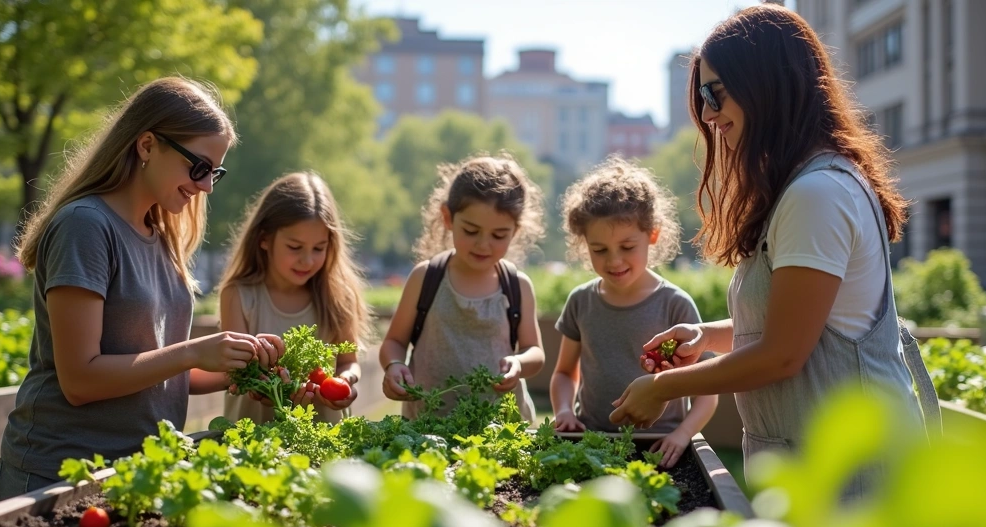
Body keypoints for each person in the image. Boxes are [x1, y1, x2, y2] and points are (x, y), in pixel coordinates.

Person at [608, 5, 939, 496]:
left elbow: (784, 354)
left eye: (714, 92)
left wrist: (663, 389)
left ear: (765, 82)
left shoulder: (818, 194)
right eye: (702, 96)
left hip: (859, 471)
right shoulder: (802, 188)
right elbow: (799, 324)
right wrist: (707, 336)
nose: (707, 113)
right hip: (818, 463)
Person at [0, 77, 280, 503]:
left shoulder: (161, 234)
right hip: (57, 479)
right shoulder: (84, 226)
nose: (206, 187)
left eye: (214, 172)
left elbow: (157, 370)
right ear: (147, 145)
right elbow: (81, 379)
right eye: (198, 167)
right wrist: (194, 351)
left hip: (135, 474)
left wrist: (237, 371)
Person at [549, 157, 718, 468]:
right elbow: (563, 373)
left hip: (659, 447)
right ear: (584, 243)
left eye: (627, 247)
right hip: (592, 441)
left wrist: (682, 435)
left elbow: (707, 393)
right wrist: (564, 412)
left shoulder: (675, 305)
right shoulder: (580, 302)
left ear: (652, 235)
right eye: (599, 250)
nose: (614, 261)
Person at [379, 154, 546, 422]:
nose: (483, 244)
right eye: (471, 231)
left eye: (498, 235)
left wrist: (518, 363)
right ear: (448, 217)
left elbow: (535, 353)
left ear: (515, 230)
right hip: (428, 426)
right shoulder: (425, 278)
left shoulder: (517, 286)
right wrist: (395, 365)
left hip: (501, 429)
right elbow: (394, 342)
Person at [218, 172, 370, 424]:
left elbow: (349, 362)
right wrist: (267, 389)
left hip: (323, 438)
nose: (307, 260)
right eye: (295, 247)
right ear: (264, 239)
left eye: (319, 248)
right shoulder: (238, 295)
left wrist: (345, 381)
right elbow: (238, 372)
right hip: (254, 440)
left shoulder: (339, 296)